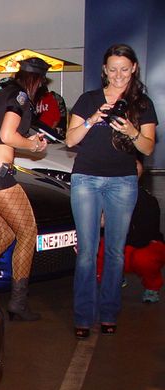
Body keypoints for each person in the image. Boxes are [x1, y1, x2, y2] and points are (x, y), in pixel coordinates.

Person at [65, 43, 158, 338]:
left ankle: (108, 313)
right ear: (105, 70)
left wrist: (131, 131)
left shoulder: (142, 104)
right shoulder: (89, 99)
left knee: (116, 252)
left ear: (134, 69)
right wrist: (93, 119)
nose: (118, 75)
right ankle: (83, 317)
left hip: (123, 181)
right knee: (86, 252)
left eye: (124, 69)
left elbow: (148, 147)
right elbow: (70, 140)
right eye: (113, 69)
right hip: (86, 179)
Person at [0, 57, 51, 321]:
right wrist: (33, 145)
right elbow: (7, 135)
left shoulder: (1, 93)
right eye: (42, 82)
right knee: (28, 233)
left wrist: (26, 139)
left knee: (4, 235)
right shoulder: (21, 96)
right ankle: (18, 302)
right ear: (37, 79)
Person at [97, 161, 164, 304]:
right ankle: (110, 281)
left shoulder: (146, 201)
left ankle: (152, 286)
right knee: (96, 248)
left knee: (143, 258)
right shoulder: (106, 196)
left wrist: (110, 225)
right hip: (124, 241)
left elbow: (143, 238)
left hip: (143, 244)